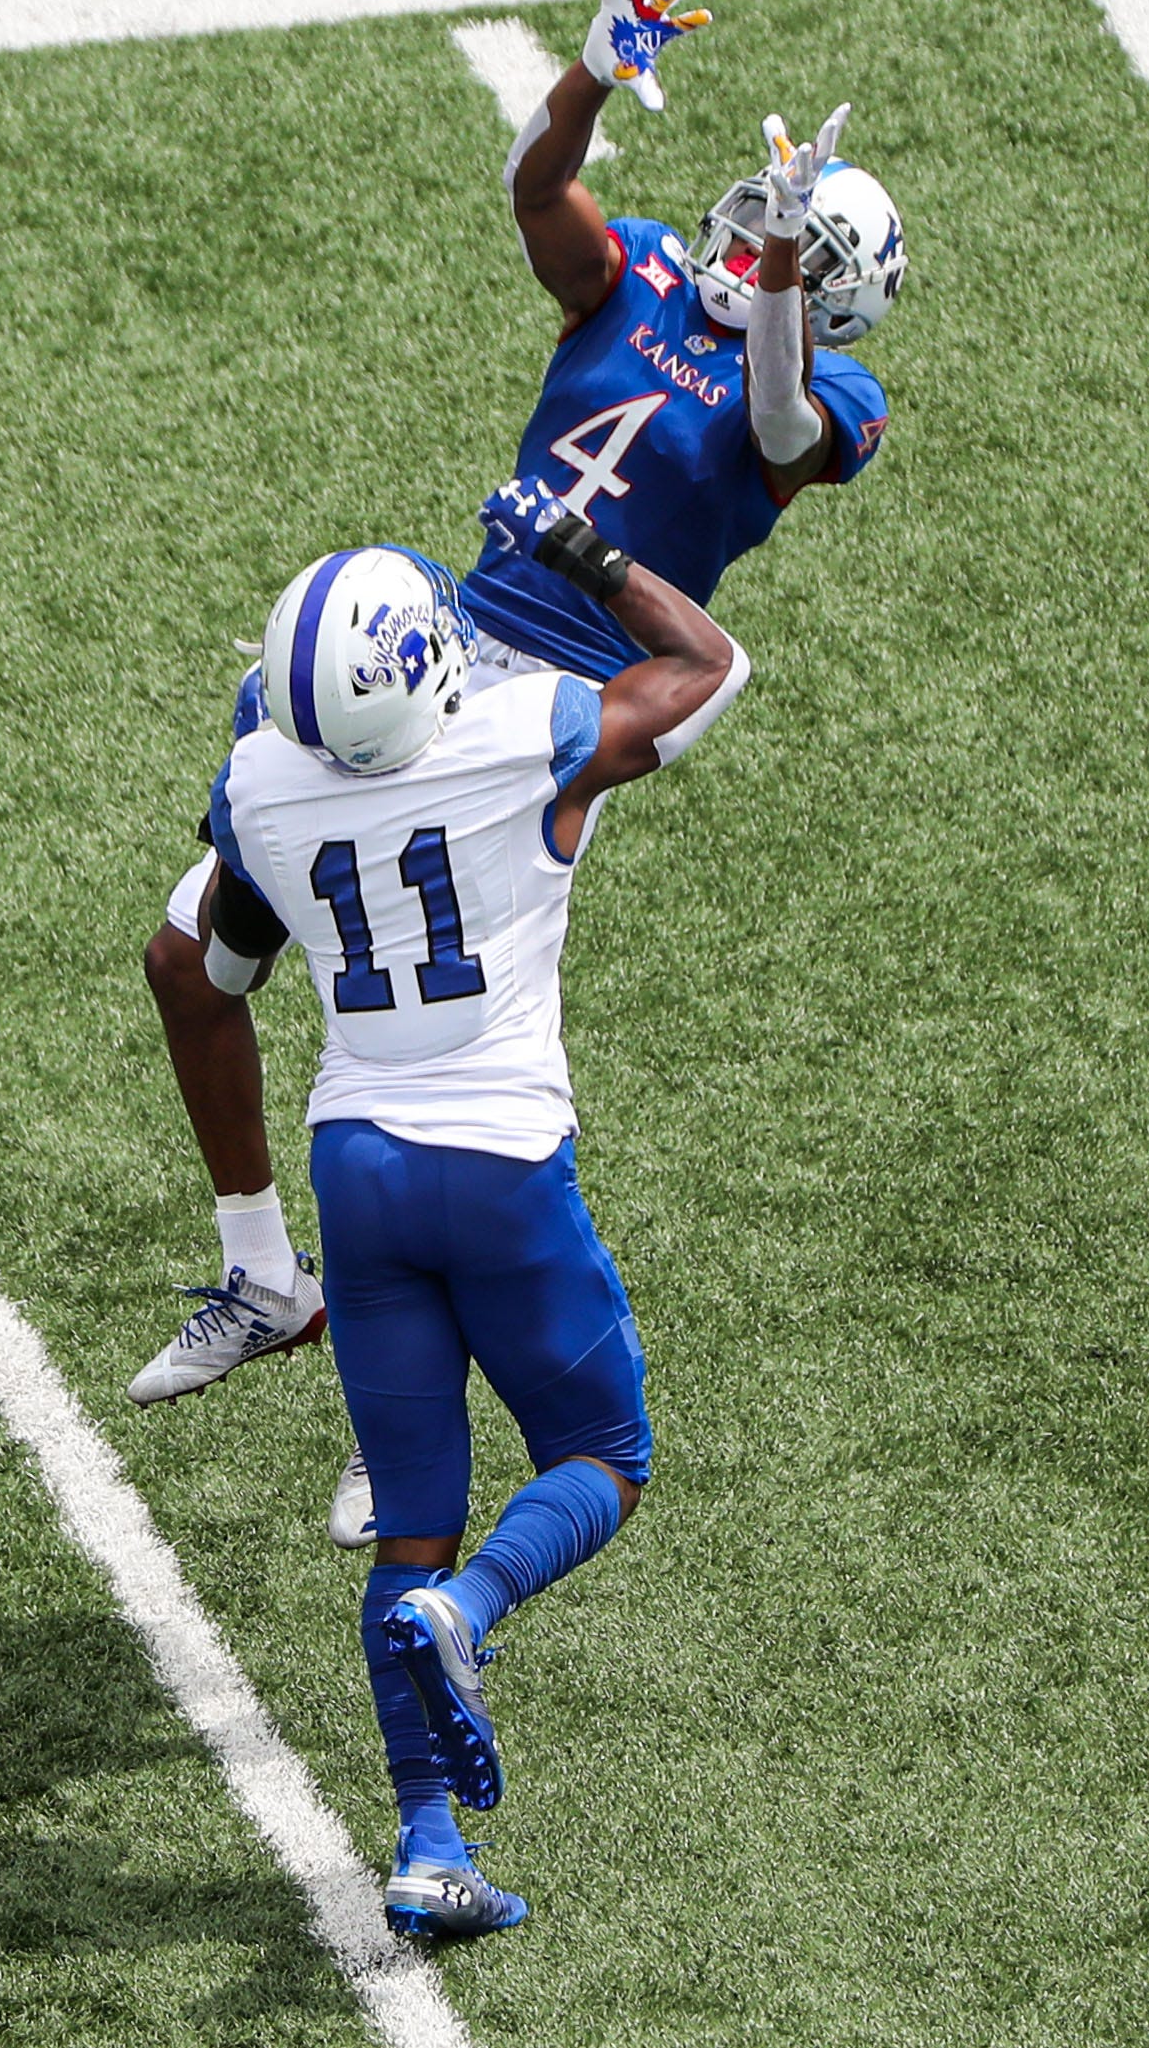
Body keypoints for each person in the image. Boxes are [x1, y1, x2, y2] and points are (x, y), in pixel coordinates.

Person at [130, 0, 907, 1532]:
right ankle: (264, 1276)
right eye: (759, 221)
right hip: (436, 636)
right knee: (188, 960)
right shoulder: (638, 272)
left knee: (415, 1057)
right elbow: (536, 189)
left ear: (827, 294)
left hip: (538, 720)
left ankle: (395, 1411)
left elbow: (771, 429)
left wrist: (775, 275)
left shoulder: (833, 385)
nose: (744, 239)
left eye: (787, 246)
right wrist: (592, 68)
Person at [186, 485, 749, 1936]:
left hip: (357, 1167)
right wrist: (593, 560)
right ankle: (477, 1608)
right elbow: (709, 668)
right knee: (603, 1455)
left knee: (407, 1527)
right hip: (497, 1162)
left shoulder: (259, 785)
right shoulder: (521, 734)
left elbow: (224, 956)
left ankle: (428, 1843)